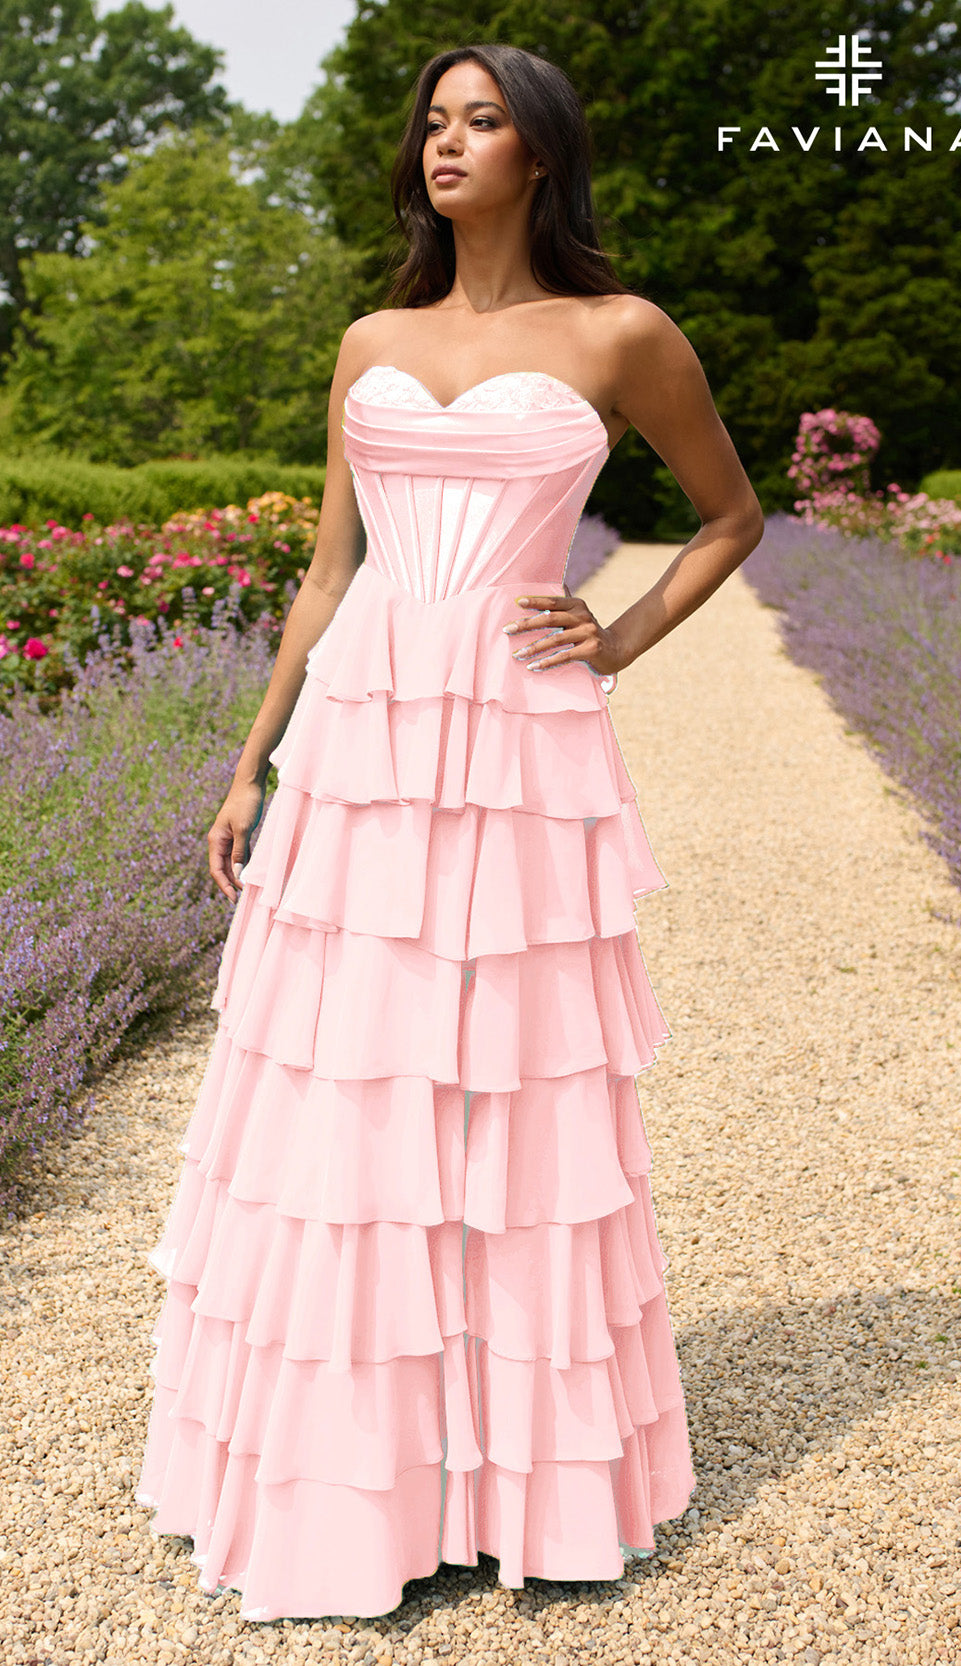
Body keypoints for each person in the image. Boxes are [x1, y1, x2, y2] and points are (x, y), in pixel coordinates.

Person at [136, 42, 764, 1623]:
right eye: (433, 120)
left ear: (542, 153)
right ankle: (354, 1478)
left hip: (519, 746)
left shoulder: (622, 333)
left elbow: (730, 515)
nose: (448, 143)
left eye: (483, 121)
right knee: (348, 1090)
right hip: (360, 746)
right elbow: (330, 573)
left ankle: (514, 1481)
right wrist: (249, 763)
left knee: (507, 1094)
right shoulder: (371, 337)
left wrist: (614, 640)